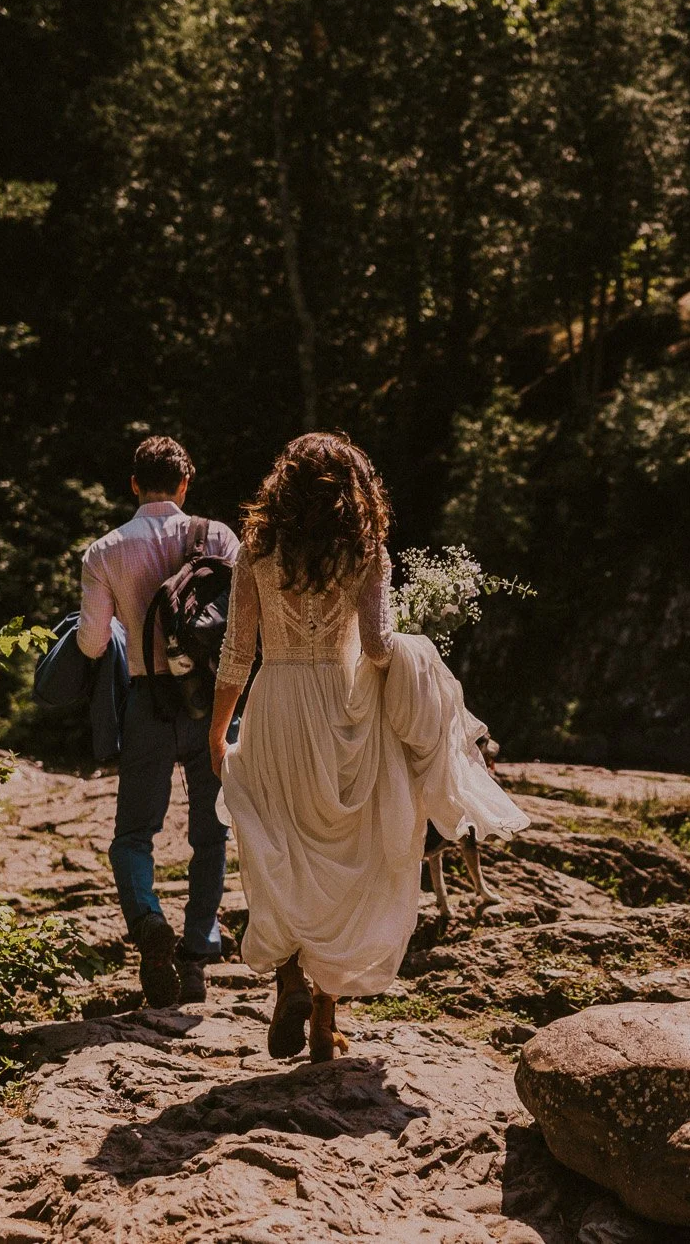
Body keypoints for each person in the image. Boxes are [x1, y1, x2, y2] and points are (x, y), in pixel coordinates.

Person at [208, 431, 527, 1061]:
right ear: (354, 490)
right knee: (349, 862)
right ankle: (324, 1018)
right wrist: (421, 655)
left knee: (286, 849)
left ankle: (289, 980)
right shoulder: (367, 553)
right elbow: (380, 646)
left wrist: (216, 731)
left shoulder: (256, 554)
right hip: (344, 712)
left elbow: (239, 651)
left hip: (275, 708)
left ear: (283, 486)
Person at [79, 435, 240, 1008]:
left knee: (132, 835)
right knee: (211, 833)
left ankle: (148, 921)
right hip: (212, 702)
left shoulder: (103, 551)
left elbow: (95, 644)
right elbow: (243, 627)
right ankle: (197, 957)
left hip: (147, 701)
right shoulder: (218, 536)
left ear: (133, 484)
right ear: (185, 483)